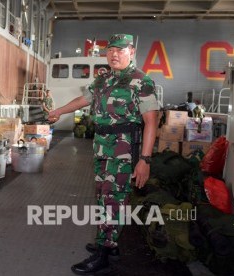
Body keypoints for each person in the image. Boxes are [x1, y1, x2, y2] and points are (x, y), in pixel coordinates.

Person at [48, 34, 159, 275]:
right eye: (111, 50)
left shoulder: (141, 81)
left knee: (113, 201)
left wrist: (145, 160)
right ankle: (110, 243)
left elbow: (152, 121)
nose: (114, 54)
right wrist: (58, 111)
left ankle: (104, 255)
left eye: (120, 50)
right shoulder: (104, 79)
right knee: (103, 197)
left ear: (131, 52)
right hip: (101, 148)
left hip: (123, 152)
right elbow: (82, 100)